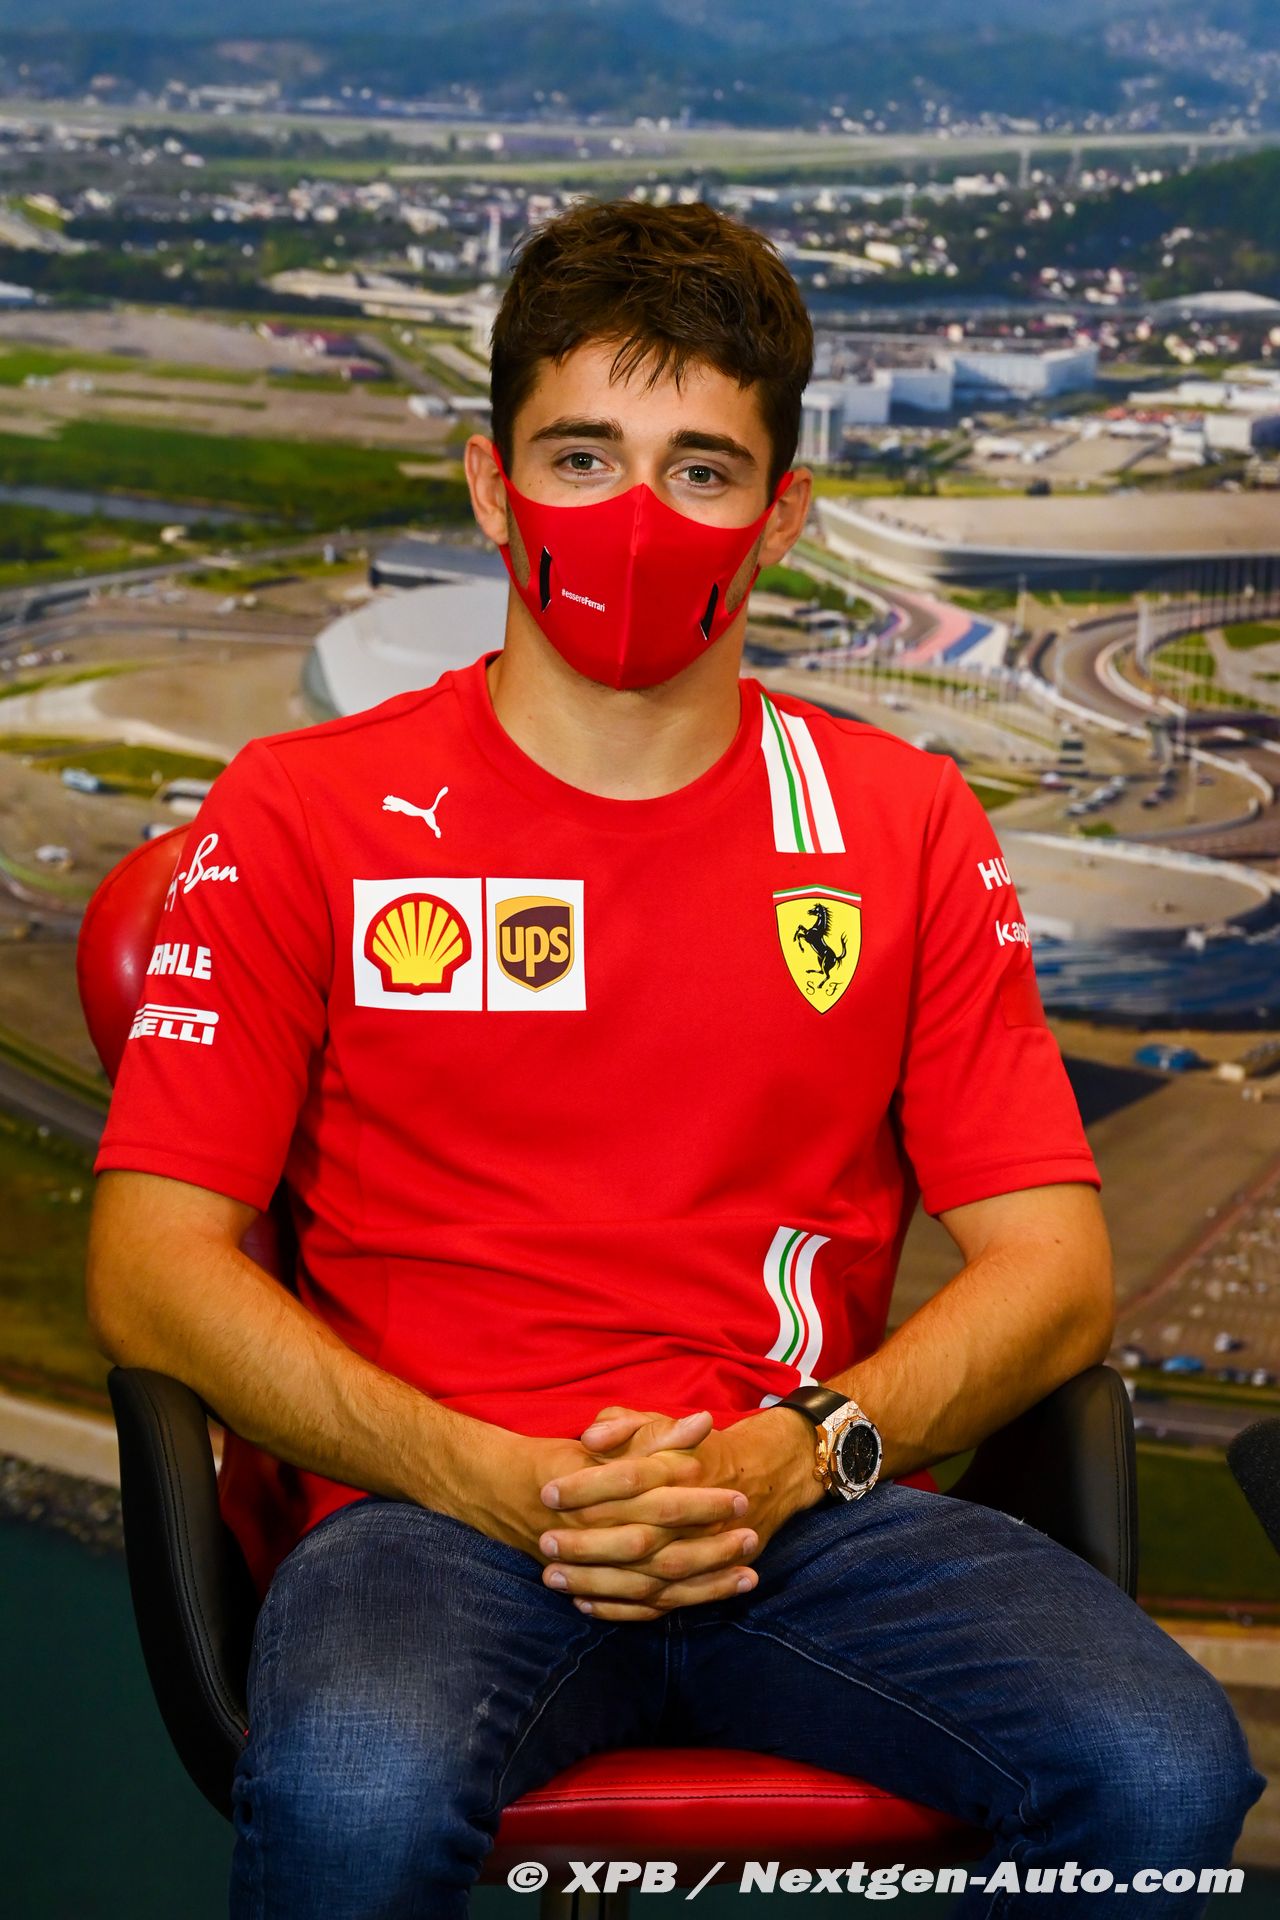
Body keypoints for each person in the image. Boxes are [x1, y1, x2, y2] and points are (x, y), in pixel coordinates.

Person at [86, 200, 1263, 1917]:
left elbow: (1057, 1272)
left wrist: (802, 1450)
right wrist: (490, 1474)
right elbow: (148, 1265)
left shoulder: (906, 825)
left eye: (700, 469)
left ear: (782, 515)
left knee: (1162, 1767)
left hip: (797, 1512)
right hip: (432, 1512)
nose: (634, 518)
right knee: (353, 1788)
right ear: (492, 488)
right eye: (582, 456)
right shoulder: (300, 811)